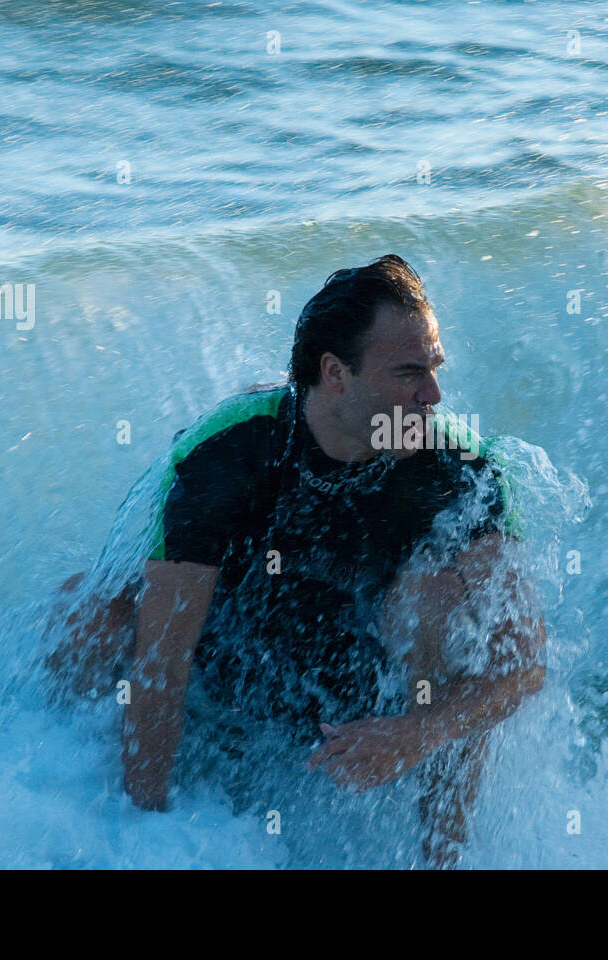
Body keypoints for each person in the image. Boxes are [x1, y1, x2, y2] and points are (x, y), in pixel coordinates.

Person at [47, 254, 546, 867]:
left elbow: (523, 665)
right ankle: (82, 798)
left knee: (439, 601)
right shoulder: (229, 450)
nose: (434, 396)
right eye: (409, 373)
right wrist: (149, 846)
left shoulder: (457, 469)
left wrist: (412, 736)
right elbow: (162, 665)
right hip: (226, 661)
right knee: (88, 608)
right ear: (336, 373)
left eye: (435, 369)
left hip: (364, 692)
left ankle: (440, 859)